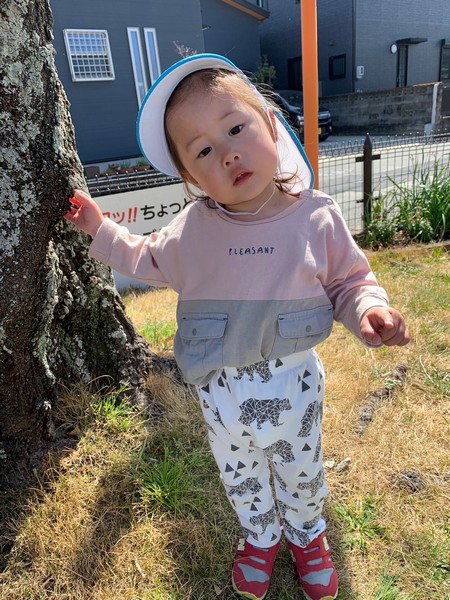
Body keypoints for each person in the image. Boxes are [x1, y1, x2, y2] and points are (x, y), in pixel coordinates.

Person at [65, 53, 409, 600]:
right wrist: (99, 228)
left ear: (270, 125)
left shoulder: (315, 217)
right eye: (203, 150)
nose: (226, 153)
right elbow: (143, 257)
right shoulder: (193, 231)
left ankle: (308, 536)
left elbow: (350, 280)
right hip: (220, 392)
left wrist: (369, 309)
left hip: (294, 385)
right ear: (190, 177)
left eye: (235, 128)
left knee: (301, 470)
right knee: (240, 473)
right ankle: (260, 535)